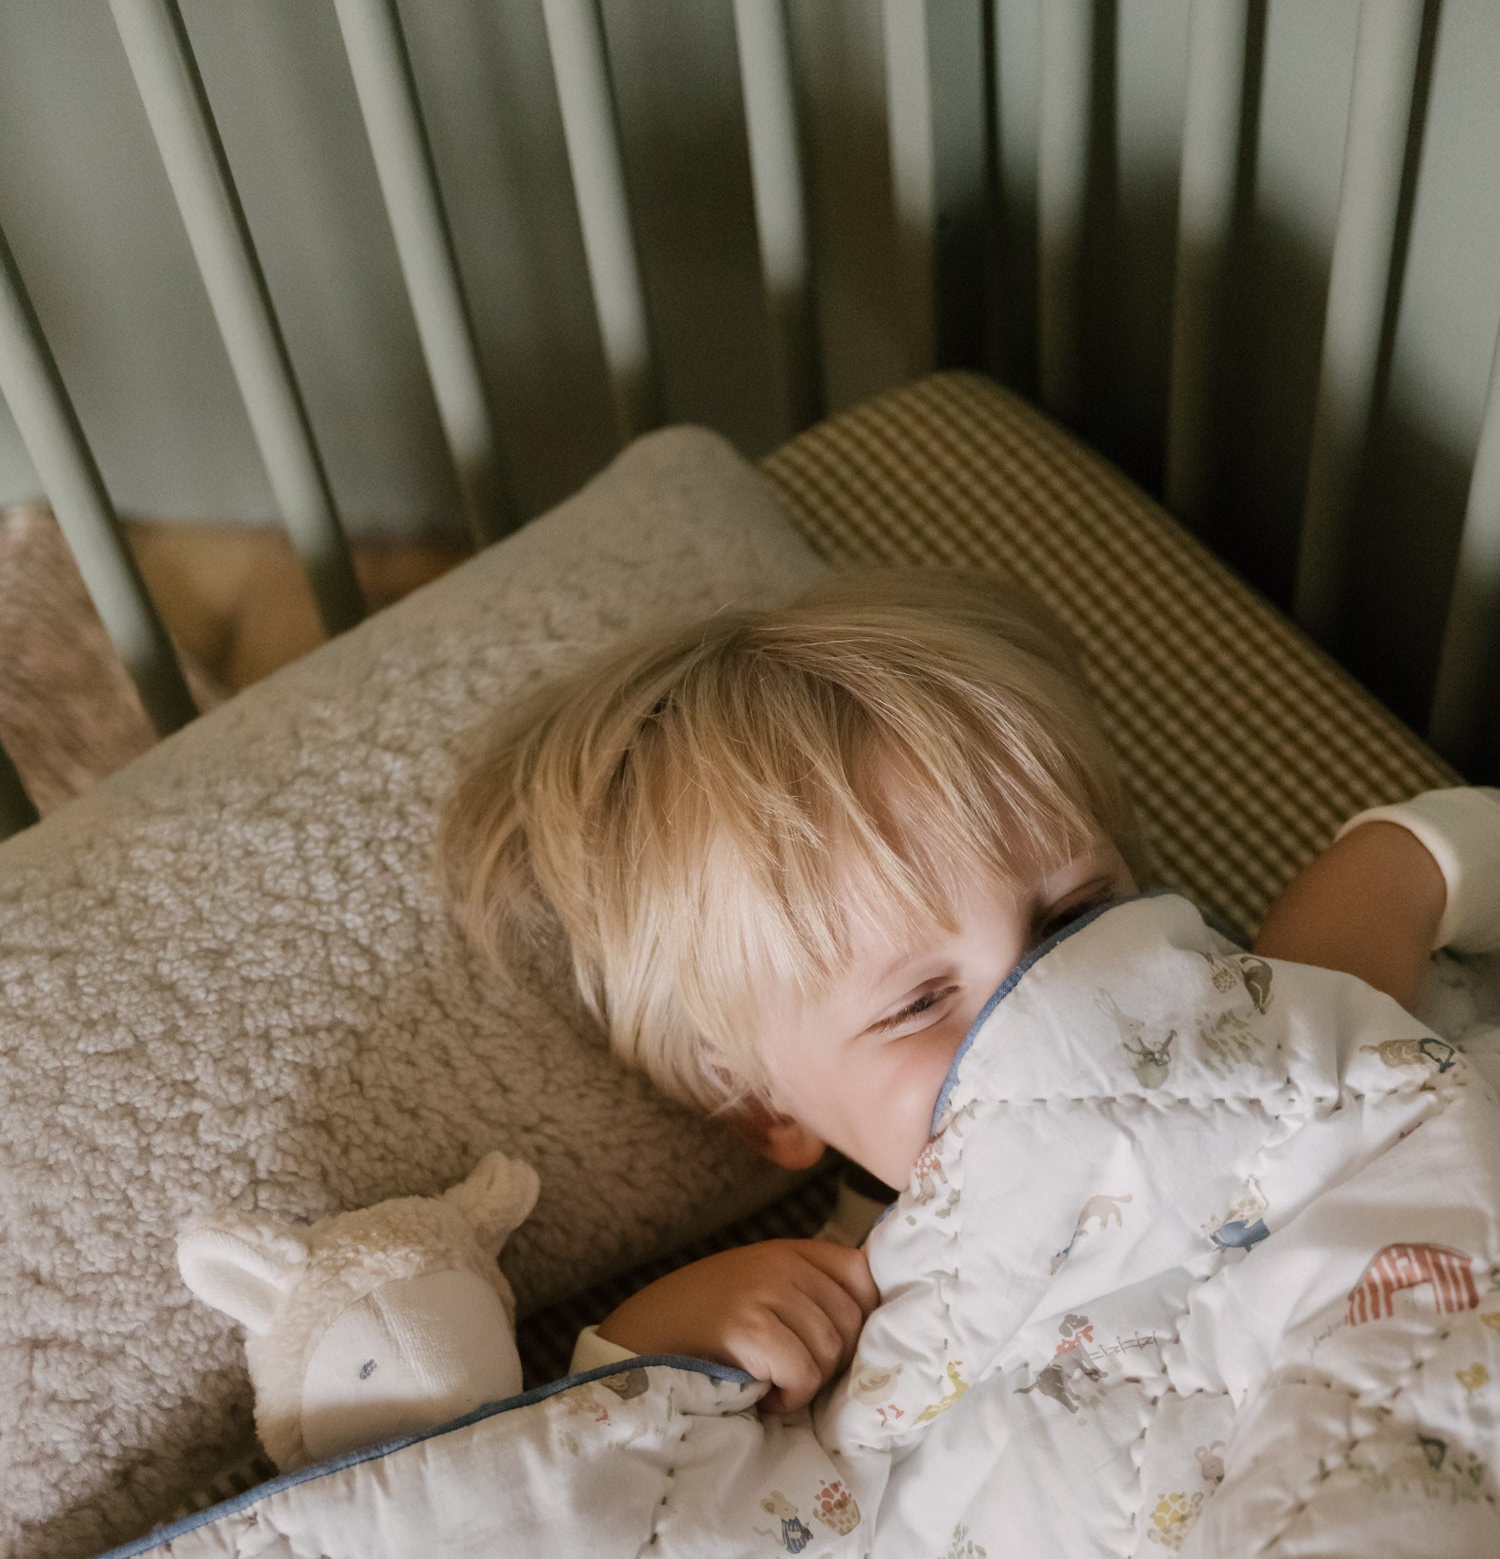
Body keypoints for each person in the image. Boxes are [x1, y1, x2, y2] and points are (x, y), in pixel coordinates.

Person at [440, 565, 1500, 1417]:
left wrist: (1395, 862)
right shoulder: (853, 1301)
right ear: (769, 1106)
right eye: (915, 1003)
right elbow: (632, 1539)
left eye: (1076, 917)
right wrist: (657, 1343)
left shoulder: (1302, 993)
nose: (1044, 995)